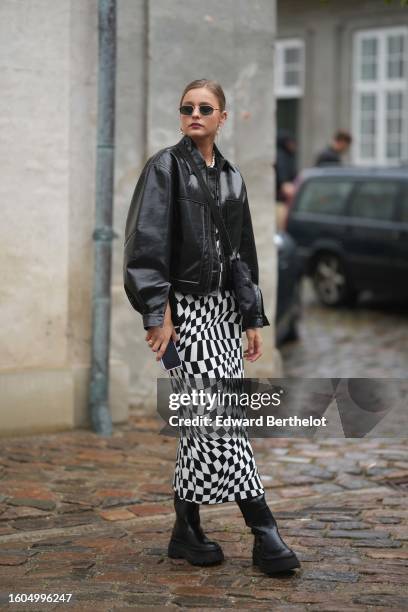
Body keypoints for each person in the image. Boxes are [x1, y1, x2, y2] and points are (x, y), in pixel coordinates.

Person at [123, 78, 300, 575]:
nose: (195, 114)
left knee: (202, 422)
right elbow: (145, 243)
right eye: (187, 107)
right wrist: (157, 311)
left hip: (225, 314)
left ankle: (186, 529)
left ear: (223, 117)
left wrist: (250, 316)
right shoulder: (165, 167)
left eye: (205, 108)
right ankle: (263, 530)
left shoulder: (232, 177)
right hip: (187, 311)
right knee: (219, 418)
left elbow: (242, 252)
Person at [275, 129, 297, 203]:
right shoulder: (281, 156)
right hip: (281, 198)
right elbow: (284, 183)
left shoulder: (288, 155)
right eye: (290, 142)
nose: (293, 145)